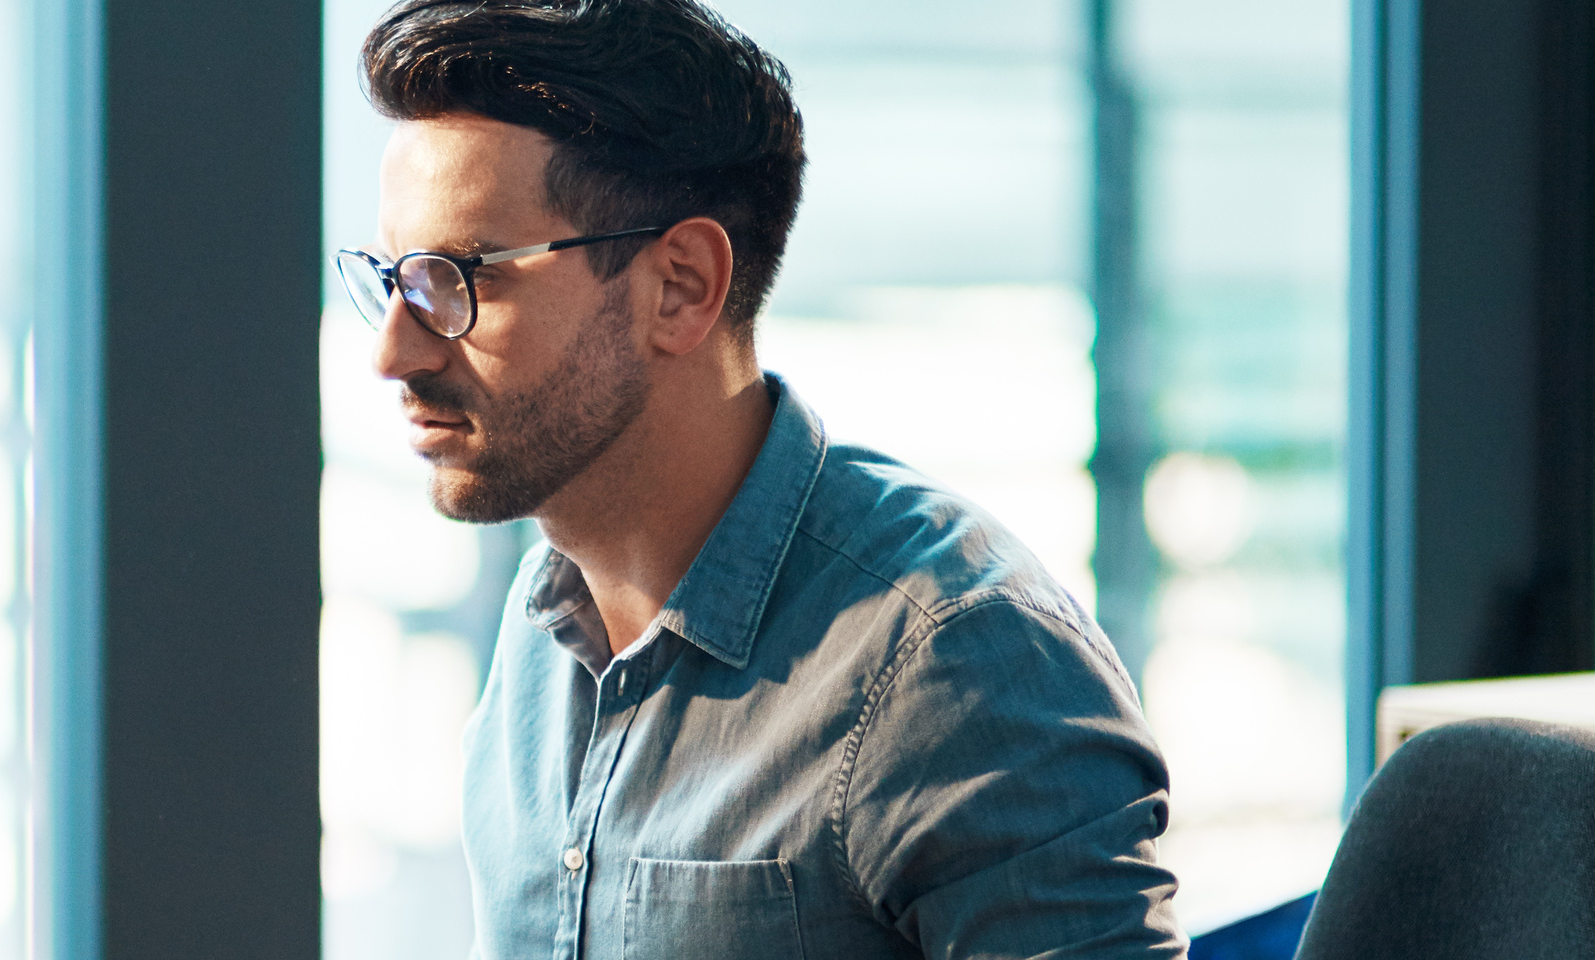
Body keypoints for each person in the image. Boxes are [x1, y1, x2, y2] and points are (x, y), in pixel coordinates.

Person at [332, 2, 1189, 957]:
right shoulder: (541, 629)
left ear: (682, 285)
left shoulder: (955, 662)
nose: (393, 351)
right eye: (393, 277)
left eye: (458, 277)